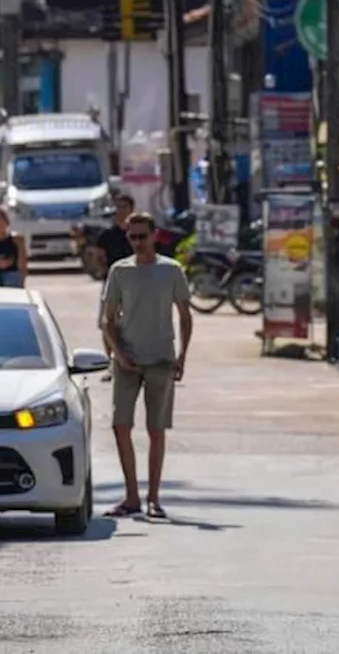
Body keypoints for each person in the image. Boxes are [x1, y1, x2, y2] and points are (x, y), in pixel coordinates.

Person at [100, 212, 193, 520]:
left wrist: (182, 355)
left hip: (161, 360)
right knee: (120, 426)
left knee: (156, 430)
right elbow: (107, 320)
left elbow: (185, 315)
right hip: (127, 361)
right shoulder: (120, 272)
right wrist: (118, 352)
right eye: (132, 237)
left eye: (142, 236)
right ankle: (131, 497)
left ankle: (154, 498)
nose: (138, 243)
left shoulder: (171, 271)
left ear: (155, 236)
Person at [95, 193, 136, 381]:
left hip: (135, 282)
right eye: (117, 207)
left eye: (123, 207)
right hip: (112, 282)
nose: (120, 211)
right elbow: (98, 255)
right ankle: (112, 363)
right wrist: (105, 271)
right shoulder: (107, 234)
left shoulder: (137, 234)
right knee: (107, 322)